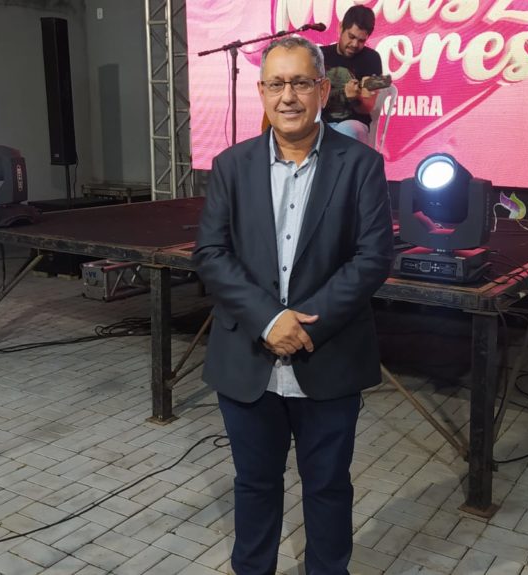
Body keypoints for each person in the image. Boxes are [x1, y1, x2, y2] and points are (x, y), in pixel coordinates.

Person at [192, 35, 393, 575]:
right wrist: (269, 320)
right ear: (261, 91)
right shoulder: (230, 166)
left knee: (328, 486)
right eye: (277, 83)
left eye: (301, 82)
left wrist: (302, 327)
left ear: (323, 90)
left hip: (328, 356)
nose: (288, 96)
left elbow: (373, 258)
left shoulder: (361, 165)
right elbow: (211, 253)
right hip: (247, 359)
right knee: (254, 484)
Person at [320, 5, 384, 144]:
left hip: (354, 125)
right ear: (340, 27)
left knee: (346, 130)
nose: (355, 44)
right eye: (351, 36)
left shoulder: (373, 59)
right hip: (321, 124)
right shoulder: (319, 55)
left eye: (361, 40)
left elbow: (368, 108)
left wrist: (355, 98)